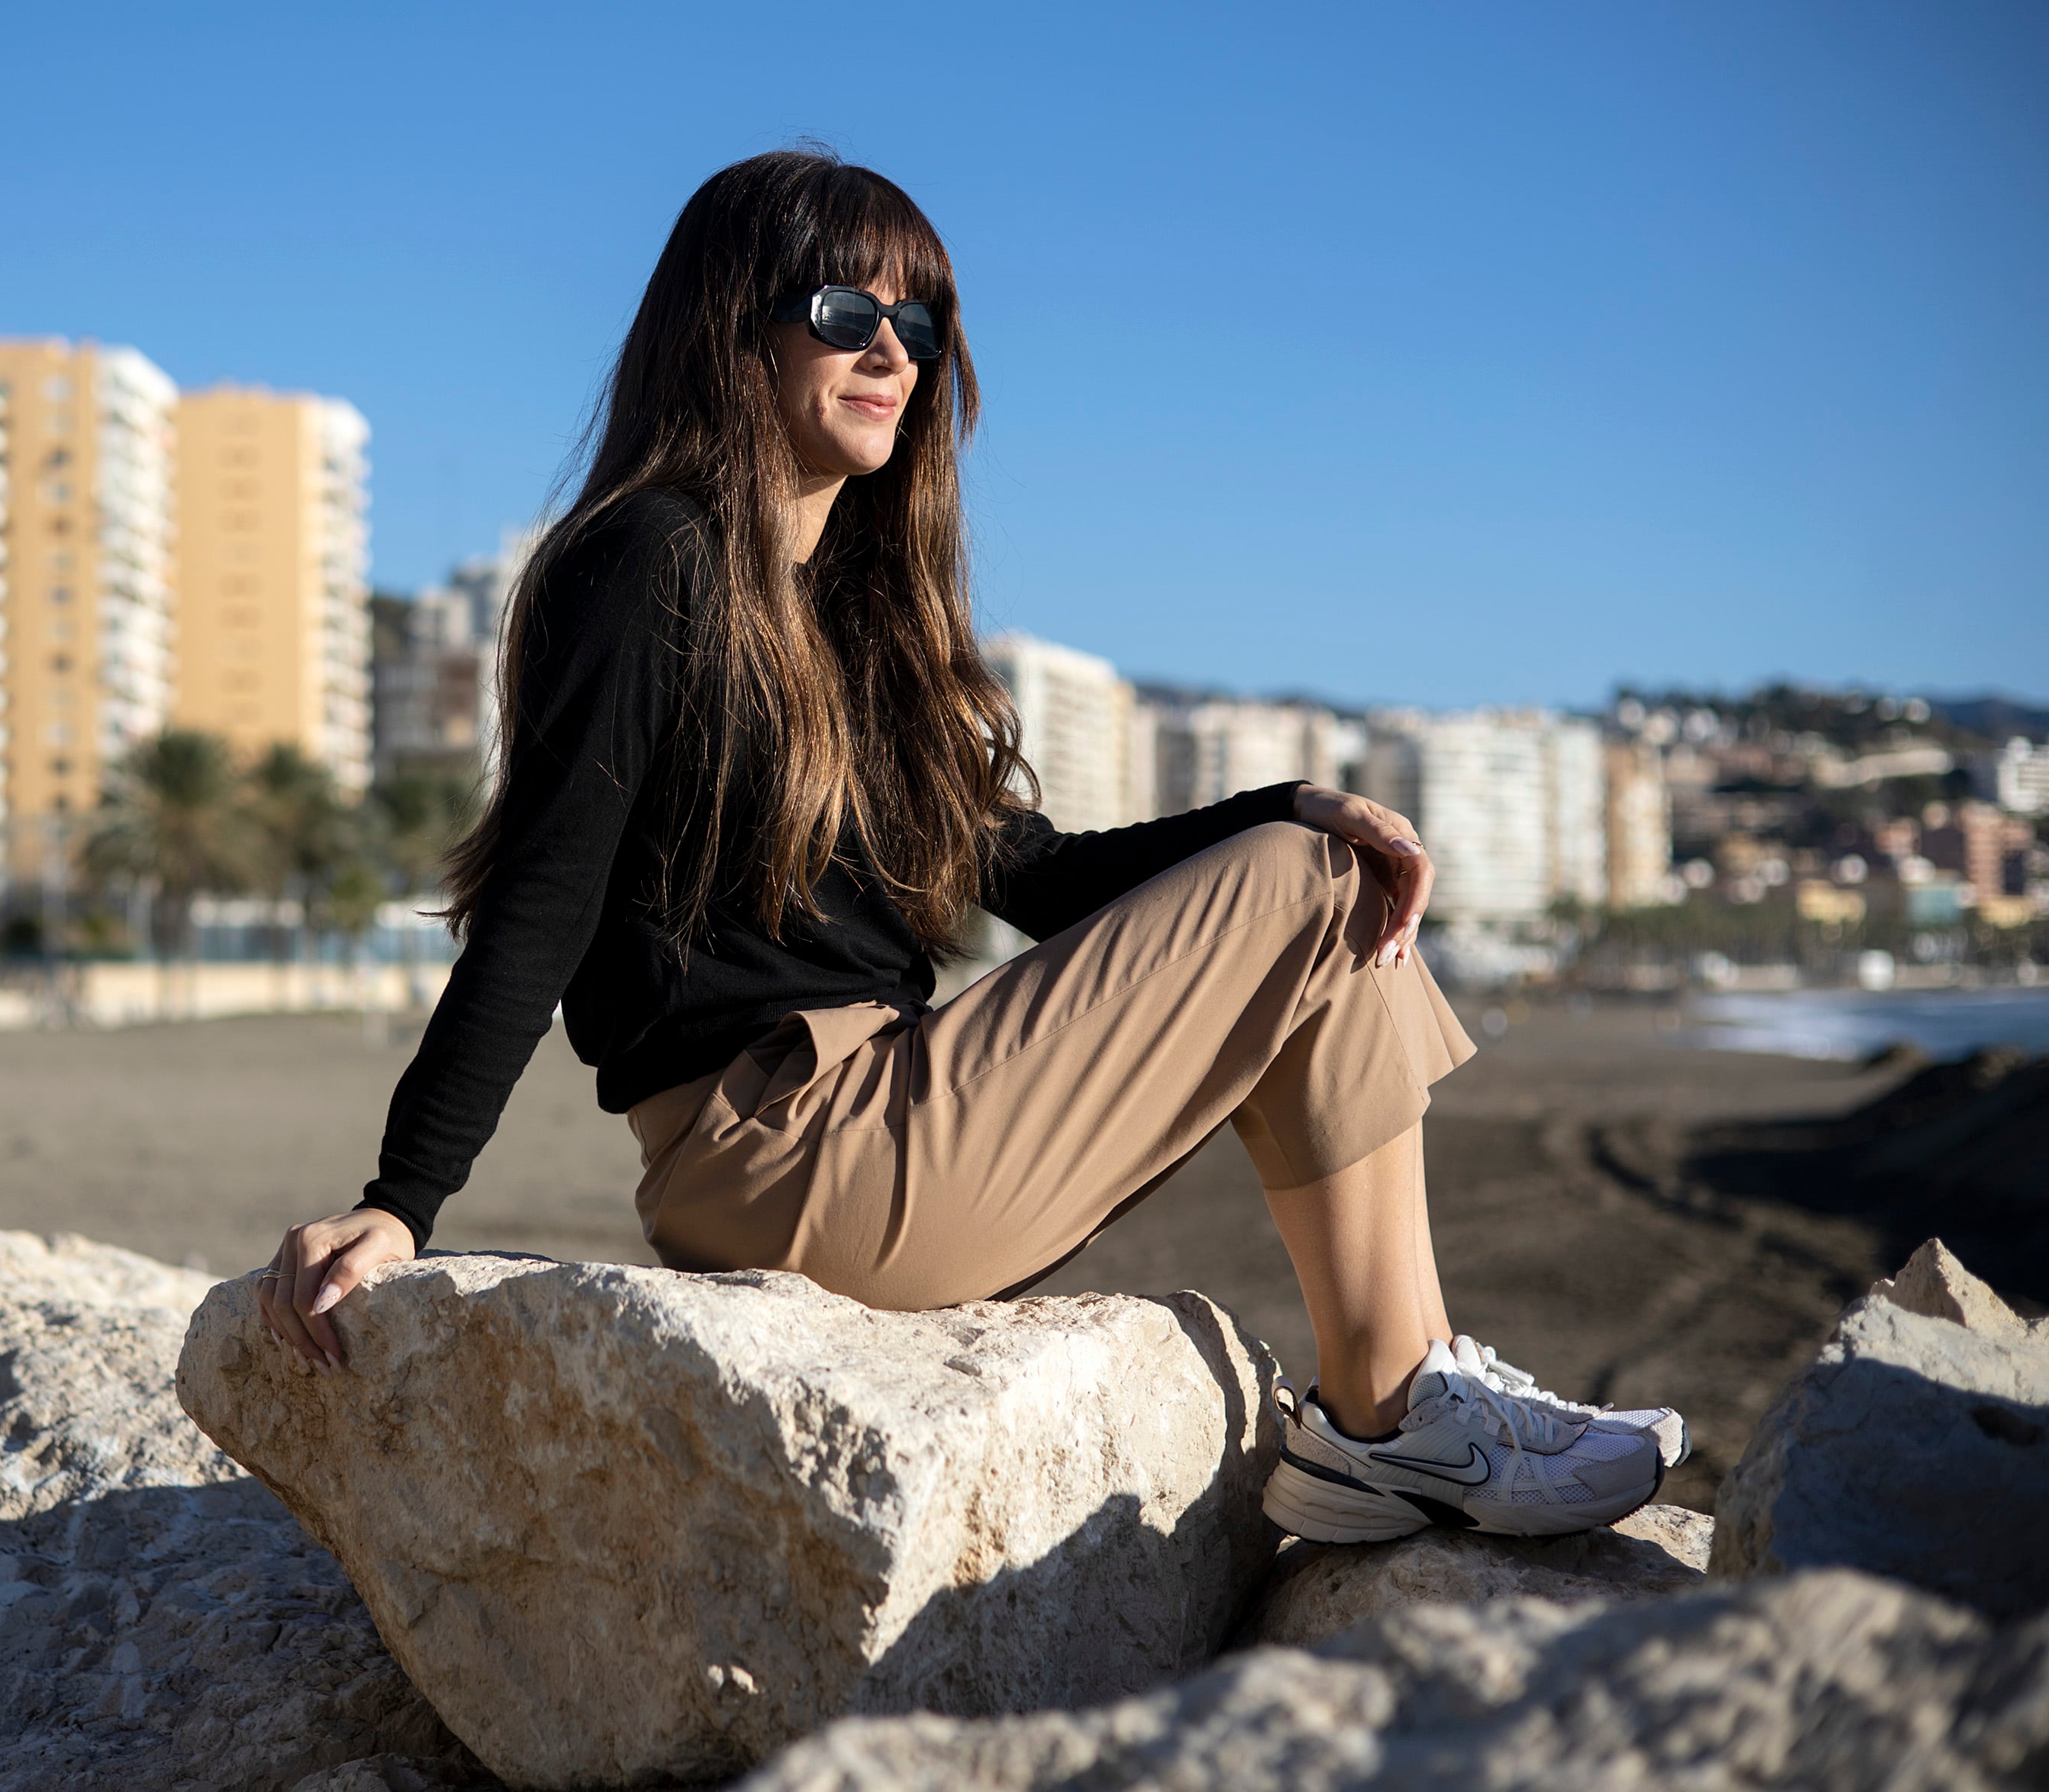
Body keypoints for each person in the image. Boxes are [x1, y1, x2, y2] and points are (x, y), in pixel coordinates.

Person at [258, 148, 1683, 1545]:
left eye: (917, 322)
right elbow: (545, 898)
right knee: (1311, 893)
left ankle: (1402, 1392)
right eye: (842, 312)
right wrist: (402, 1204)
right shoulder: (648, 559)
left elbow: (1041, 873)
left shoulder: (863, 624)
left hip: (891, 1116)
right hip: (786, 1150)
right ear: (727, 325)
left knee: (1333, 884)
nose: (891, 350)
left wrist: (1290, 807)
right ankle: (1393, 1416)